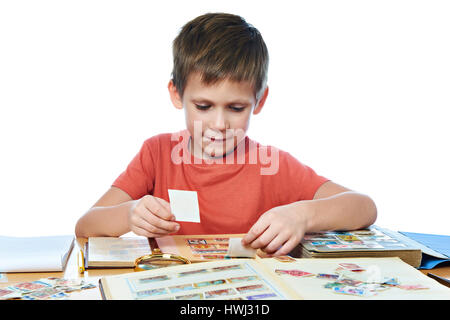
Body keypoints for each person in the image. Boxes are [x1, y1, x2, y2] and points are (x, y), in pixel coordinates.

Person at [75, 12, 377, 256]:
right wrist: (129, 214)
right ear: (177, 94)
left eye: (235, 108)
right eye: (204, 106)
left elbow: (364, 207)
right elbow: (85, 226)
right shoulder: (157, 154)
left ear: (259, 101)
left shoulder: (271, 163)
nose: (219, 123)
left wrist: (302, 215)